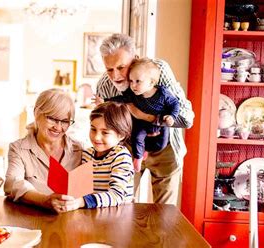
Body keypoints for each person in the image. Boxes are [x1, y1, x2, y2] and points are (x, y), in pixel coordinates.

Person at [94, 33, 194, 205]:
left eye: (121, 67)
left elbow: (186, 117)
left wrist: (145, 116)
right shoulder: (104, 85)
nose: (116, 76)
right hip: (128, 149)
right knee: (119, 208)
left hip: (165, 149)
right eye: (109, 69)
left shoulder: (157, 70)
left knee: (164, 216)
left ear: (135, 59)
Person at [4, 88, 83, 213]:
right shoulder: (19, 149)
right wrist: (45, 200)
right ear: (36, 113)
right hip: (34, 220)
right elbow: (11, 184)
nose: (58, 127)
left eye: (65, 121)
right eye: (52, 119)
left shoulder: (79, 150)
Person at [108, 58, 179, 172]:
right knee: (137, 137)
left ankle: (145, 150)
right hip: (141, 123)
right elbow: (121, 99)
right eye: (131, 81)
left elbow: (175, 104)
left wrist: (172, 116)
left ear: (151, 82)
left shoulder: (163, 93)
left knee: (161, 144)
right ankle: (138, 157)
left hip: (160, 124)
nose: (133, 85)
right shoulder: (134, 94)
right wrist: (106, 100)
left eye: (137, 81)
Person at [81, 102, 134, 208]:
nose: (96, 137)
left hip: (118, 218)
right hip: (93, 216)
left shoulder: (121, 156)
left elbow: (117, 195)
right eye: (93, 129)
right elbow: (82, 189)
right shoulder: (86, 154)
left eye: (105, 133)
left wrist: (82, 202)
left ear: (121, 135)